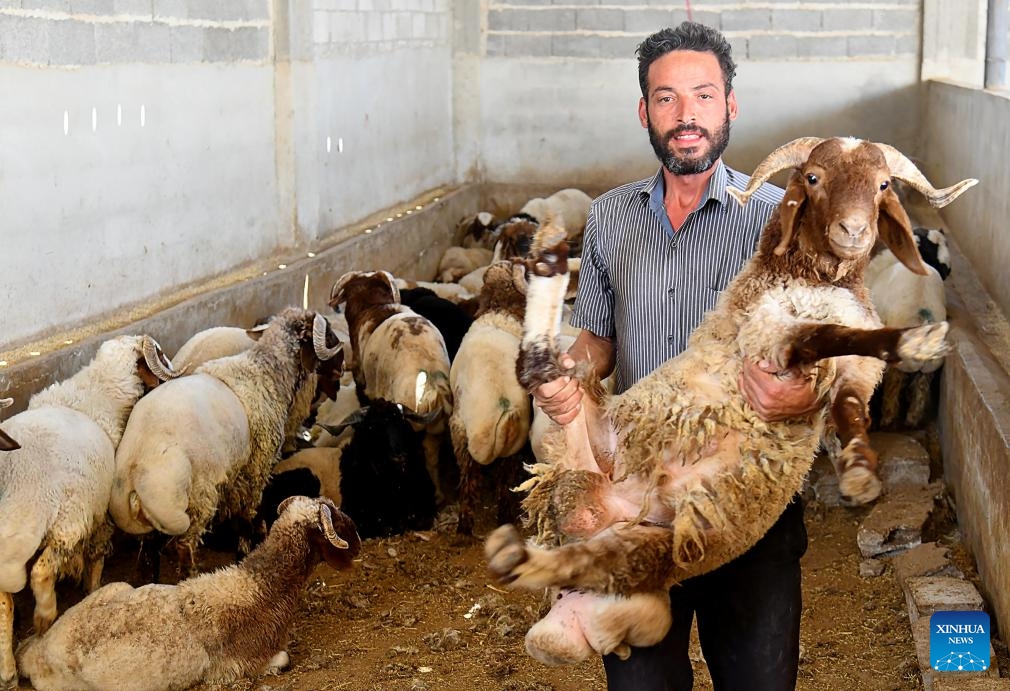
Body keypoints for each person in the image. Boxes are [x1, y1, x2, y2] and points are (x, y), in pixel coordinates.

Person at [532, 22, 819, 691]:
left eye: (703, 95)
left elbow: (819, 361)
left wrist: (802, 395)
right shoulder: (609, 219)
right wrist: (565, 377)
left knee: (758, 682)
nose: (686, 114)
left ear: (730, 106)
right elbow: (598, 342)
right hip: (635, 505)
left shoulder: (780, 219)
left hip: (747, 502)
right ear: (644, 111)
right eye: (666, 98)